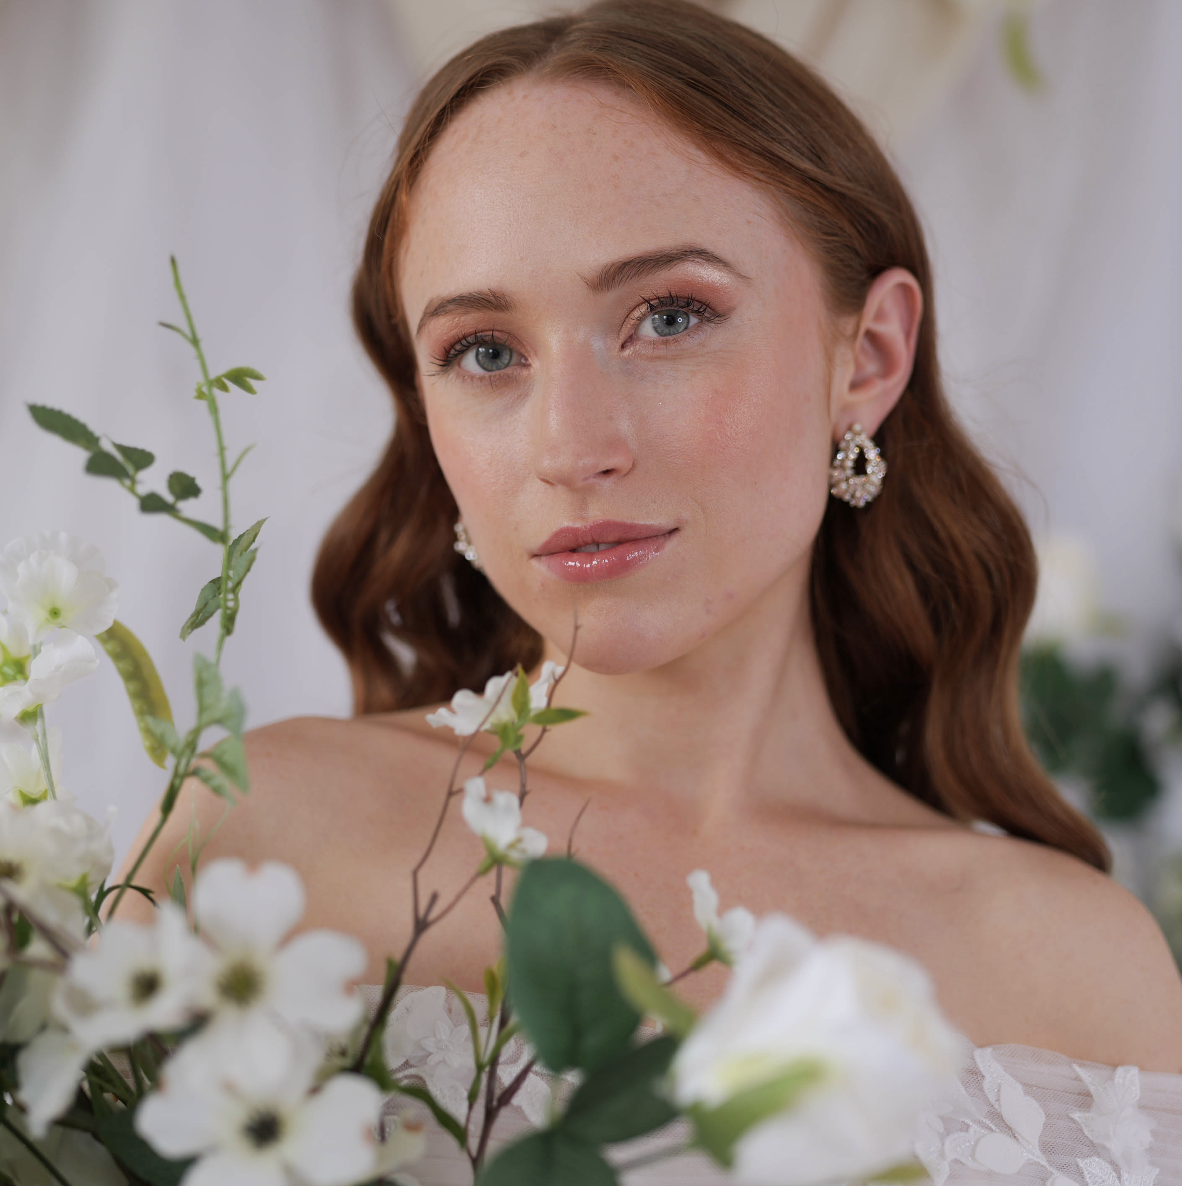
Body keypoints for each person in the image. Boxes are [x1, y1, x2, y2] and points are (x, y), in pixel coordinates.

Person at [123, 0, 1182, 1179]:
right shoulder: (267, 831)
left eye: (668, 316)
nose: (572, 444)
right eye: (485, 351)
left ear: (868, 357)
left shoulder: (1078, 970)